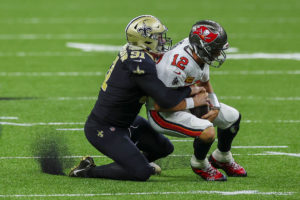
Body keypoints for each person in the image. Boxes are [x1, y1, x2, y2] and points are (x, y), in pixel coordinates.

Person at [69, 15, 209, 181]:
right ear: (145, 41)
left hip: (127, 122)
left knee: (163, 148)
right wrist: (190, 92)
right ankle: (86, 171)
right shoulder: (140, 63)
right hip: (105, 128)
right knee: (141, 173)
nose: (162, 40)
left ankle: (135, 163)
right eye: (158, 37)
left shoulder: (136, 52)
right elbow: (164, 99)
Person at [147, 20, 247, 181]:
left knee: (232, 118)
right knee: (207, 131)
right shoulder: (176, 66)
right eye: (215, 49)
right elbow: (161, 104)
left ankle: (222, 157)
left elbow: (204, 82)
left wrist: (214, 107)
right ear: (202, 46)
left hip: (184, 99)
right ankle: (199, 164)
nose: (218, 53)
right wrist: (195, 102)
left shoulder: (198, 53)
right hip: (161, 114)